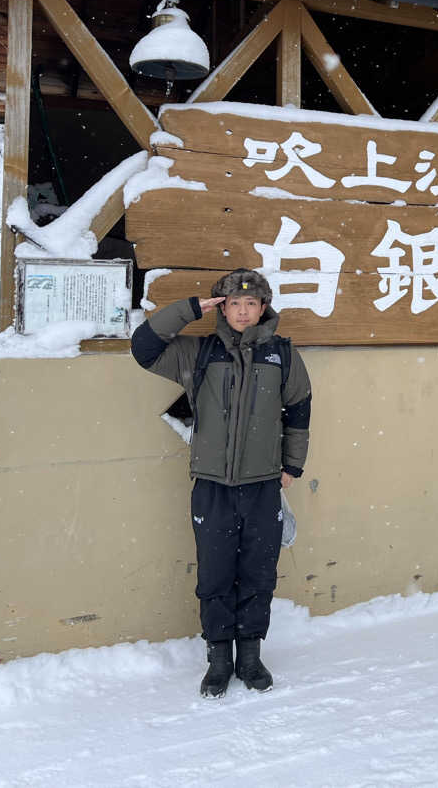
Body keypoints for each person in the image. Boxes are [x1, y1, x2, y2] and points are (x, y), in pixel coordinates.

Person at [131, 268, 311, 697]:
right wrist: (192, 309)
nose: (243, 311)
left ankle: (250, 654)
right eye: (234, 303)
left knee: (257, 572)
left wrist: (292, 466)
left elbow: (299, 409)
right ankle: (219, 658)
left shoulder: (281, 354)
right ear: (222, 308)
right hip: (212, 487)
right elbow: (144, 348)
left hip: (264, 485)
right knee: (214, 574)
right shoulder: (199, 353)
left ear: (263, 307)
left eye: (252, 303)